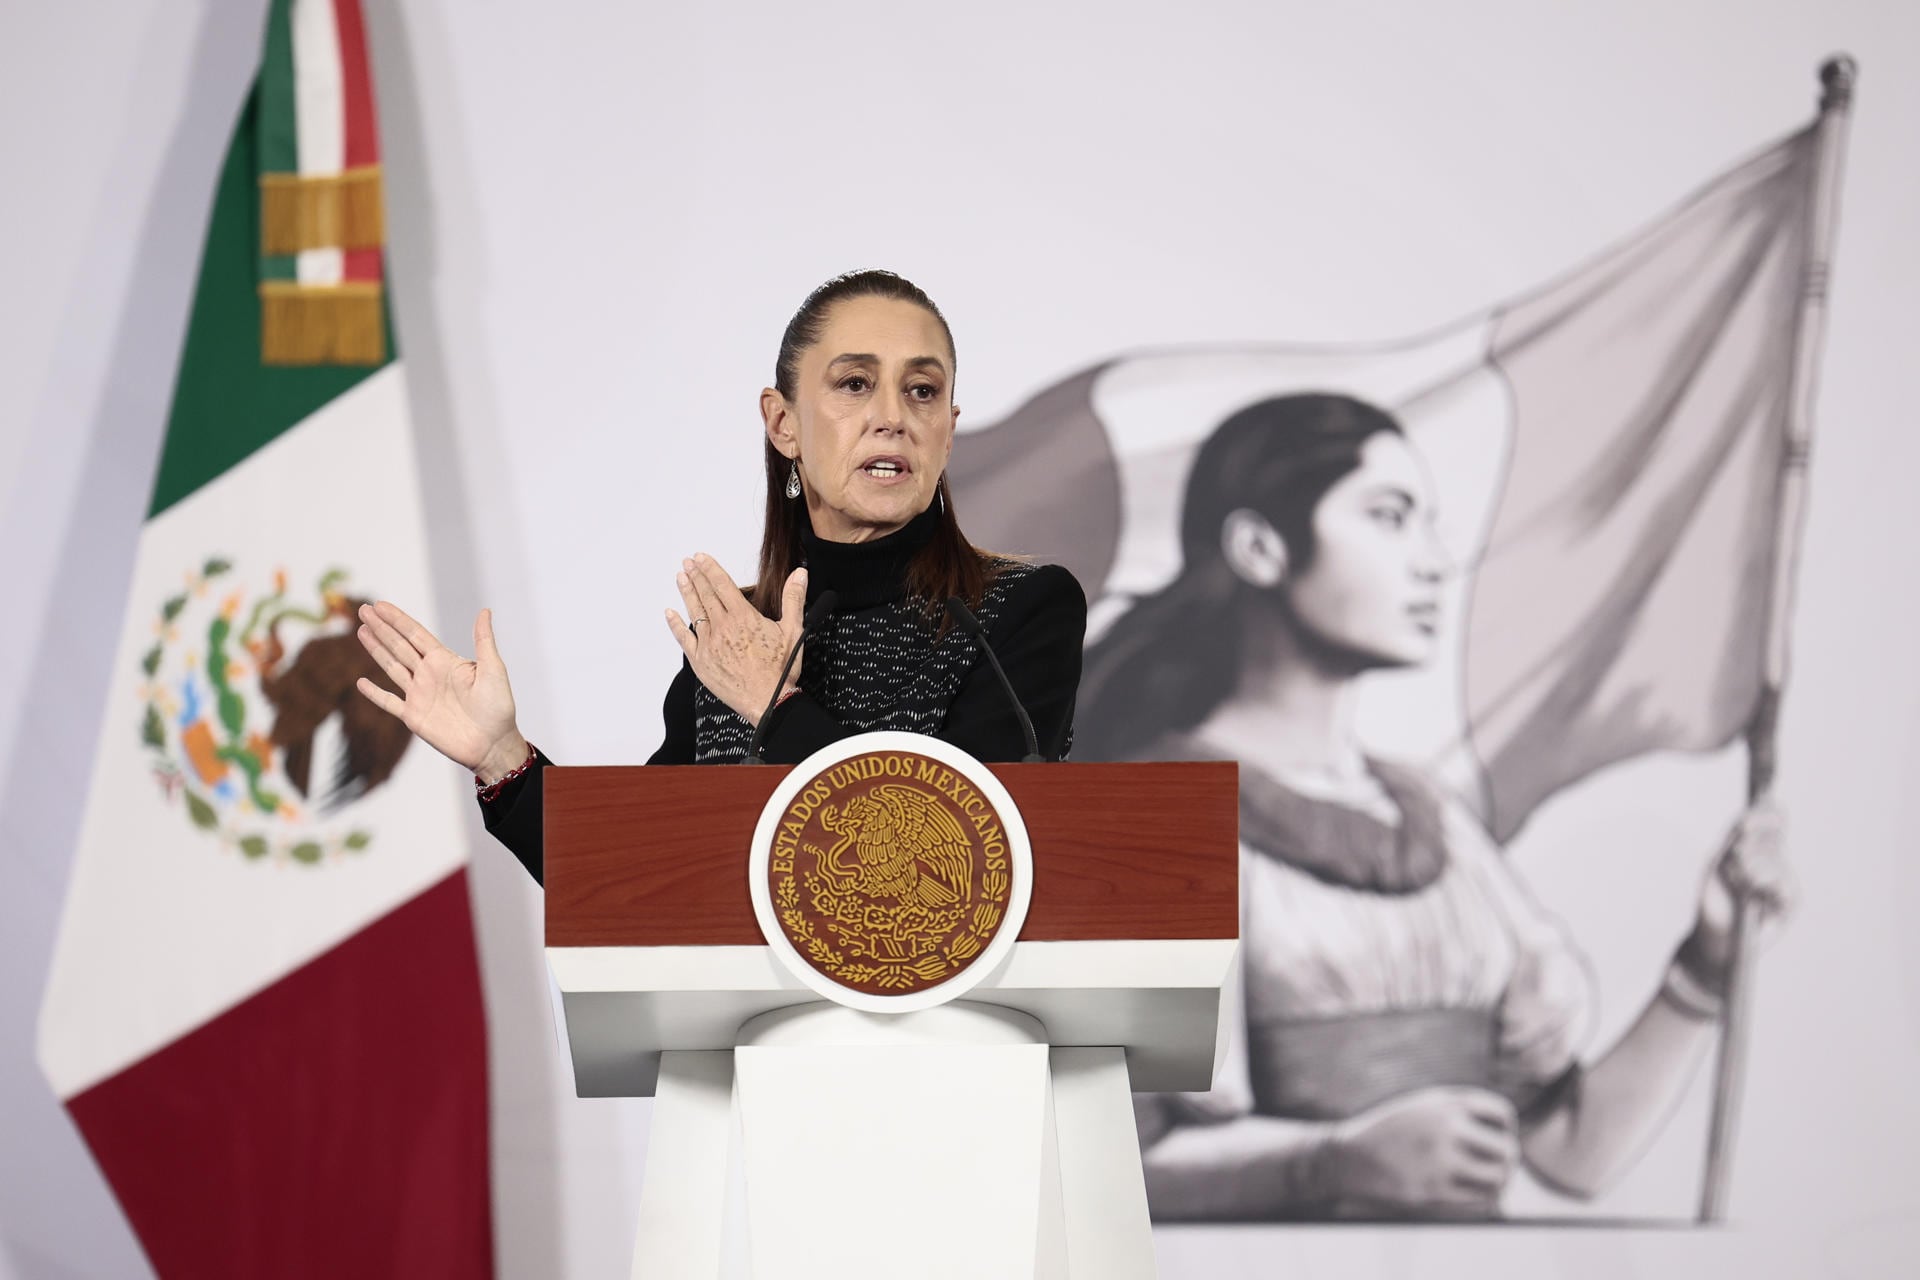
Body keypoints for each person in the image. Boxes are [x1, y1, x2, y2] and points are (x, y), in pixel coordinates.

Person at [1076, 393, 1792, 1220]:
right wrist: (1331, 1162)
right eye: (1389, 518)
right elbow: (1098, 1165)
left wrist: (1705, 964)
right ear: (1259, 548)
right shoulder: (1145, 820)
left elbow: (1573, 1153)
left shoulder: (1435, 820)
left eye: (1429, 525)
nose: (1433, 562)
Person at [352, 270, 1086, 884]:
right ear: (783, 423)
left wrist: (777, 708)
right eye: (856, 383)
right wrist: (502, 757)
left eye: (922, 390)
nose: (892, 416)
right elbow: (634, 873)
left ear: (948, 431)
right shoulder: (734, 637)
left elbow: (958, 861)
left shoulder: (1018, 610)